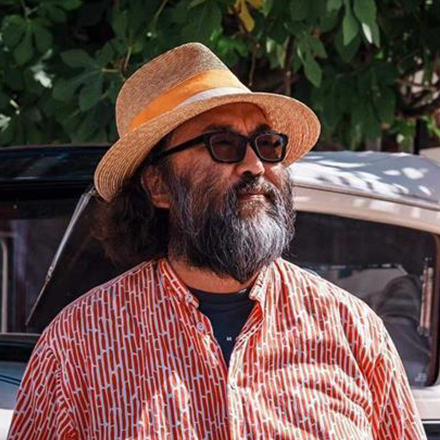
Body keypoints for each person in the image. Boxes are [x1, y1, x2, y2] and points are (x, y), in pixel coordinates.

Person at [8, 43, 426, 440]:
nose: (255, 165)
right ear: (158, 186)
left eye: (267, 144)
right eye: (223, 144)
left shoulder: (352, 329)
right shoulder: (80, 343)